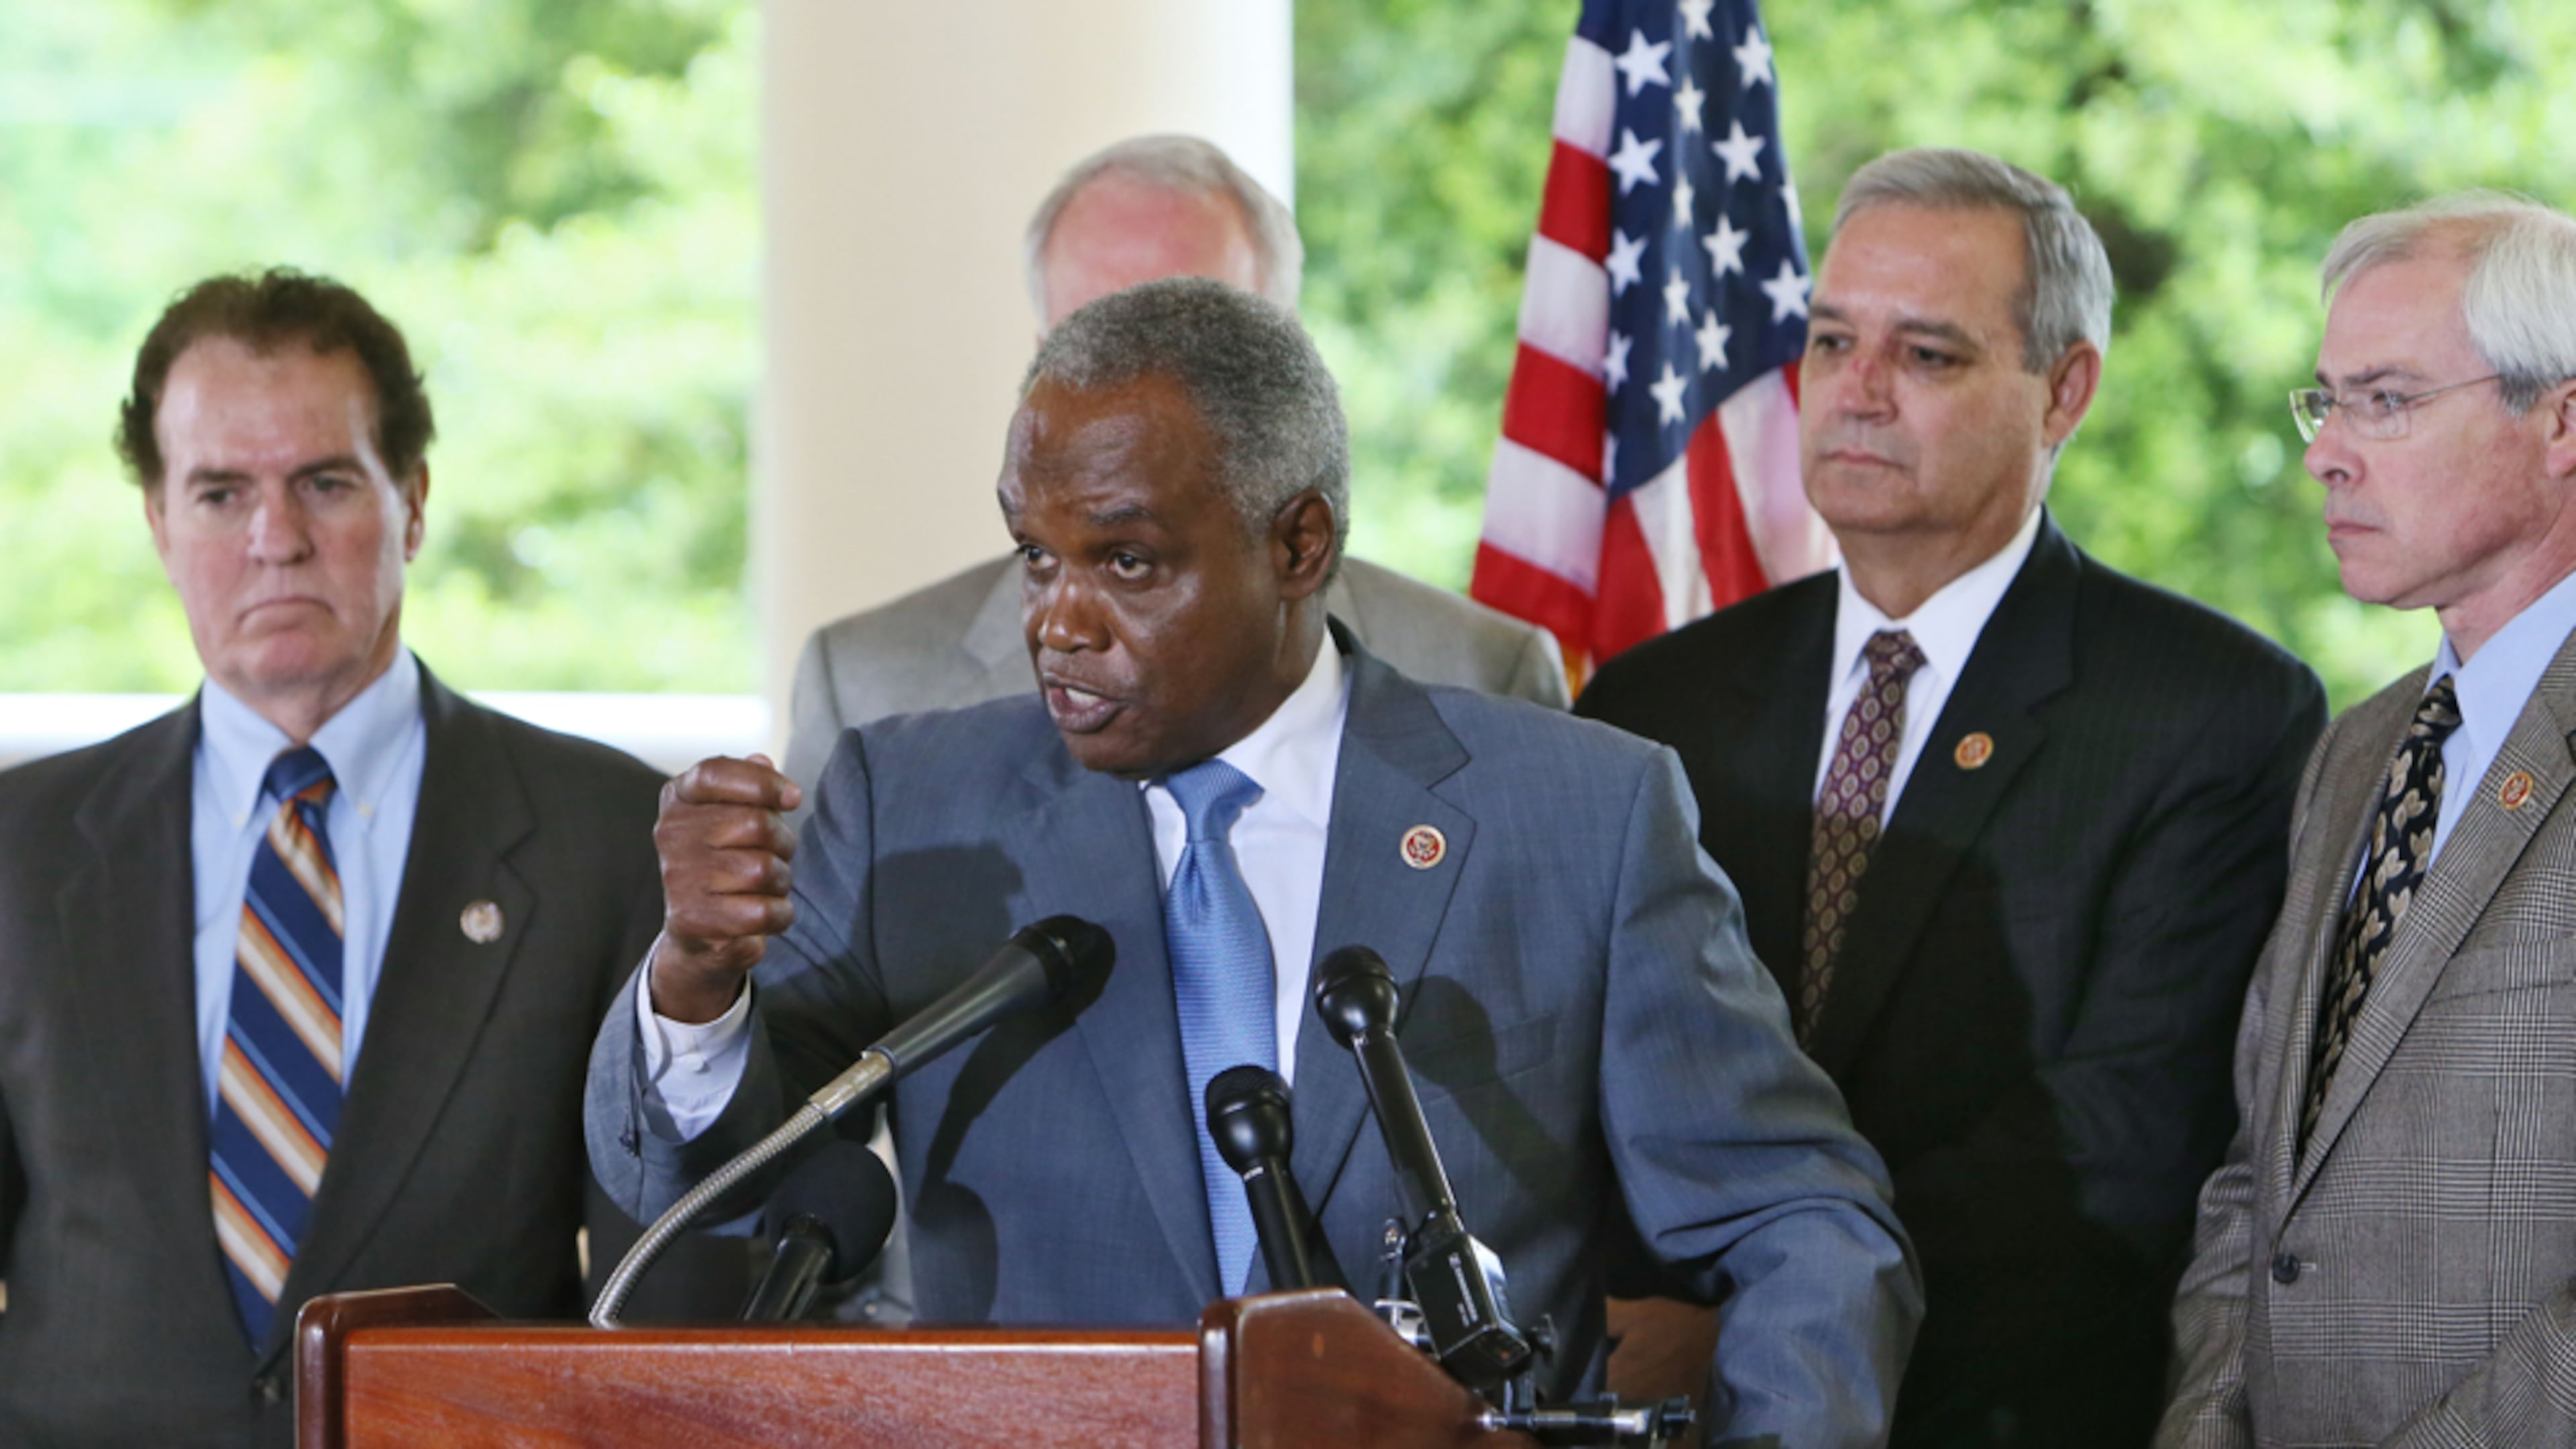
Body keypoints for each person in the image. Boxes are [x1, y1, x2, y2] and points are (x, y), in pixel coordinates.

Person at [589, 277, 1922, 1443]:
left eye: (1126, 560)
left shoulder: (1580, 814)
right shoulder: (915, 805)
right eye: (1035, 557)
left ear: (1299, 546)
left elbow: (1803, 1222)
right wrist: (697, 984)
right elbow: (706, 1200)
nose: (1057, 622)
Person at [1578, 149, 2325, 1448]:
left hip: (1994, 1408)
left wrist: (1774, 1322)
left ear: (2064, 392)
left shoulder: (2212, 712)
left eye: (1927, 357)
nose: (1857, 394)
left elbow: (2124, 1139)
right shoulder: (1652, 704)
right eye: (1830, 342)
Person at [0, 270, 692, 1447]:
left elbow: (660, 1295)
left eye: (323, 482)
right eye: (220, 492)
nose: (276, 538)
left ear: (412, 503)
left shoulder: (607, 836)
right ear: (160, 524)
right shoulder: (18, 849)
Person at [780, 134, 1567, 808]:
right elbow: (803, 984)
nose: (1139, 391)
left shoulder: (1481, 674)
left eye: (1202, 342)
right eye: (1092, 347)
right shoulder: (871, 690)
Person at [2161, 194, 2576, 1447]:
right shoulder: (2356, 752)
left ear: (2562, 421)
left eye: (2386, 401)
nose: (2325, 452)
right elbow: (2258, 1183)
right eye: (2326, 400)